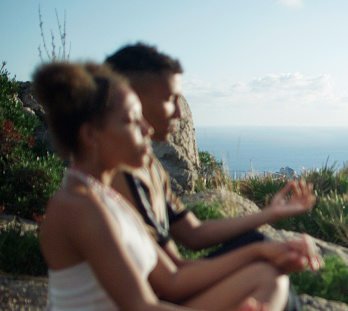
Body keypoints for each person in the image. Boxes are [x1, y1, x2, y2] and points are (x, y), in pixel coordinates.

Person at [35, 61, 316, 311]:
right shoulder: (77, 206)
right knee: (269, 281)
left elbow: (173, 276)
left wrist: (261, 251)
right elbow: (141, 305)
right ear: (90, 135)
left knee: (268, 277)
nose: (145, 129)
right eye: (131, 121)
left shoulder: (108, 198)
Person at [105, 43, 322, 310]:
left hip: (167, 289)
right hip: (157, 298)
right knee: (266, 269)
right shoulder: (118, 177)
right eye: (169, 99)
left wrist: (270, 214)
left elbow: (193, 234)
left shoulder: (149, 166)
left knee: (260, 250)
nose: (179, 113)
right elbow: (170, 279)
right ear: (133, 100)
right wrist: (259, 252)